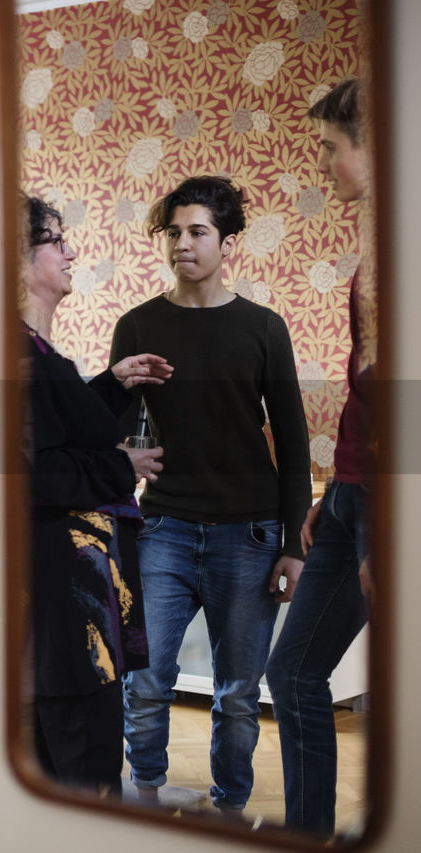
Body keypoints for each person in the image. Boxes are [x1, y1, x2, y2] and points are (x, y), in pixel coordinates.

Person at [111, 175, 311, 814]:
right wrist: (123, 454)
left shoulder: (263, 328)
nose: (183, 244)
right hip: (163, 529)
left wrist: (291, 546)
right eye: (173, 231)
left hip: (249, 534)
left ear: (227, 241)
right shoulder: (136, 324)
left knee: (237, 695)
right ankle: (143, 797)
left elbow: (293, 440)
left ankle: (228, 810)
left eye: (198, 231)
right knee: (145, 680)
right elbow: (113, 432)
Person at [20, 194, 167, 795]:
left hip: (68, 599)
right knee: (83, 775)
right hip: (64, 608)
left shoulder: (36, 352)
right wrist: (121, 464)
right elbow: (33, 473)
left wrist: (109, 386)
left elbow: (52, 432)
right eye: (56, 239)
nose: (70, 250)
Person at [265, 77, 374, 838]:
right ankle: (309, 831)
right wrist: (333, 488)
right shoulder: (380, 250)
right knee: (292, 671)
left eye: (332, 149)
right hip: (350, 495)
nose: (325, 165)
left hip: (385, 500)